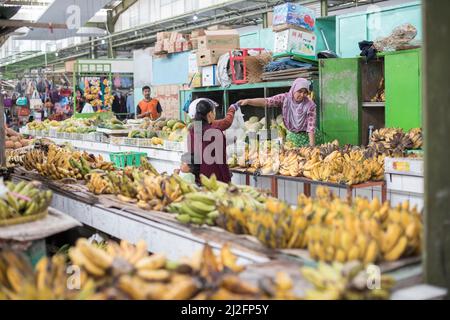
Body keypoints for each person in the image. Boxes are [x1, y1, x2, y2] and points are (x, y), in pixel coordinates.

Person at [238, 78, 318, 147]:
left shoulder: (310, 105)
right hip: (292, 137)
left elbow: (311, 127)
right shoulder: (285, 98)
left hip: (309, 138)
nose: (302, 95)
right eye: (299, 91)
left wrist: (312, 146)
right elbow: (267, 101)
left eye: (305, 92)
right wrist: (249, 101)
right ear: (294, 89)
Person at [188, 99, 238, 184]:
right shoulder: (216, 133)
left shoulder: (193, 131)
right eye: (214, 112)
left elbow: (193, 157)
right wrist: (228, 181)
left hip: (200, 179)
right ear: (210, 114)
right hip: (216, 180)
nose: (215, 114)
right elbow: (222, 163)